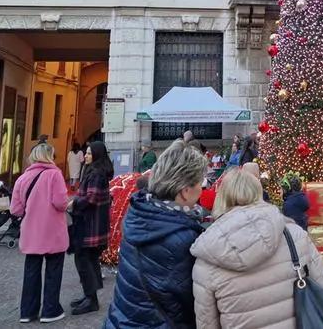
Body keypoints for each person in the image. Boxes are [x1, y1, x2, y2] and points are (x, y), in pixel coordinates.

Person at [192, 170, 323, 328]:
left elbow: (206, 324)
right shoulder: (294, 236)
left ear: (221, 199)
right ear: (258, 194)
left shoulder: (207, 256)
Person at [105, 140, 208, 328]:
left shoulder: (138, 212)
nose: (202, 188)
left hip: (121, 319)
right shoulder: (181, 238)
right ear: (185, 191)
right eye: (200, 183)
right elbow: (196, 304)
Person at [10, 142, 69, 324]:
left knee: (31, 272)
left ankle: (27, 311)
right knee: (53, 271)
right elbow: (60, 202)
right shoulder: (54, 174)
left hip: (31, 231)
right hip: (52, 231)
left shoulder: (22, 178)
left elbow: (15, 209)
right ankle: (50, 310)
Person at [68, 141, 113, 315]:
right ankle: (89, 294)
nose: (85, 156)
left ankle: (91, 299)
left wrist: (74, 203)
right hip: (94, 224)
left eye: (88, 153)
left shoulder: (96, 173)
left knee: (83, 260)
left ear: (96, 155)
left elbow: (92, 198)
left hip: (90, 224)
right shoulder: (96, 171)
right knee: (90, 259)